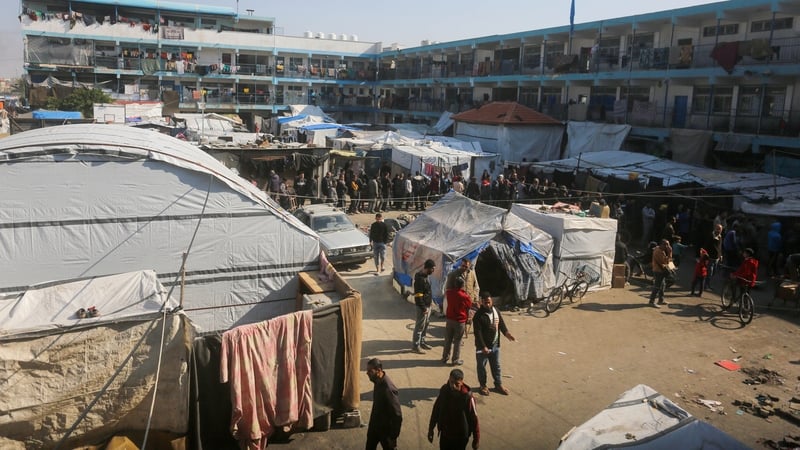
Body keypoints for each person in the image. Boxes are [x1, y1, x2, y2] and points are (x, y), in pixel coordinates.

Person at [473, 291, 515, 396]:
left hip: (495, 345)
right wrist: (483, 347)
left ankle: (498, 384)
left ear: (491, 301)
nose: (487, 304)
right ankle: (483, 385)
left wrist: (507, 333)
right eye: (485, 302)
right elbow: (477, 333)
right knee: (481, 367)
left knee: (496, 366)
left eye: (489, 302)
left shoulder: (496, 311)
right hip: (483, 348)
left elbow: (500, 324)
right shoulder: (478, 316)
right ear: (481, 302)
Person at [427, 368, 480, 450]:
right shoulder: (444, 391)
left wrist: (476, 439)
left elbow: (474, 418)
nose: (453, 386)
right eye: (451, 382)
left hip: (460, 437)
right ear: (449, 379)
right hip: (445, 434)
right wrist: (431, 428)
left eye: (457, 384)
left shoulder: (468, 397)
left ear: (462, 382)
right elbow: (436, 410)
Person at [366, 358, 402, 450]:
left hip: (385, 432)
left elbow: (397, 415)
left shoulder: (388, 389)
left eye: (370, 371)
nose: (367, 373)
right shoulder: (377, 381)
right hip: (374, 427)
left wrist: (393, 437)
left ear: (379, 371)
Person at [442, 277, 472, 366]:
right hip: (460, 321)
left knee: (448, 339)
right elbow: (469, 305)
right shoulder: (464, 296)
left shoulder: (449, 293)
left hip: (450, 319)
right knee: (458, 341)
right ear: (462, 285)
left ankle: (445, 357)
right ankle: (455, 359)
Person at [412, 259, 436, 354]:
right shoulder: (420, 279)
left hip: (428, 305)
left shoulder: (426, 277)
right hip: (423, 307)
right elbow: (418, 295)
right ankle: (416, 345)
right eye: (432, 269)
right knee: (420, 326)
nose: (433, 271)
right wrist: (423, 308)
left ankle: (422, 342)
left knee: (426, 325)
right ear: (428, 268)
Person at [648, 239, 672, 308]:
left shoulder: (661, 250)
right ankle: (651, 301)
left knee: (663, 285)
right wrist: (670, 253)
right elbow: (666, 262)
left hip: (660, 271)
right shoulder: (659, 252)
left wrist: (672, 267)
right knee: (657, 287)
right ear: (661, 244)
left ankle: (661, 300)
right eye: (665, 244)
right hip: (659, 271)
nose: (667, 246)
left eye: (668, 244)